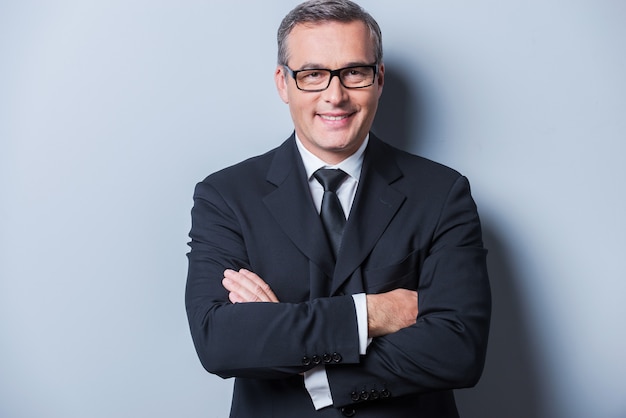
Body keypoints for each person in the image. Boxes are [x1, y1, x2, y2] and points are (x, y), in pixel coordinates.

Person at [185, 1, 491, 416]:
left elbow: (458, 348)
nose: (335, 95)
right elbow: (220, 342)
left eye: (354, 72)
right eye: (312, 74)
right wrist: (372, 313)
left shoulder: (441, 192)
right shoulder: (225, 196)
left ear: (378, 78)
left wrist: (302, 358)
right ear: (283, 83)